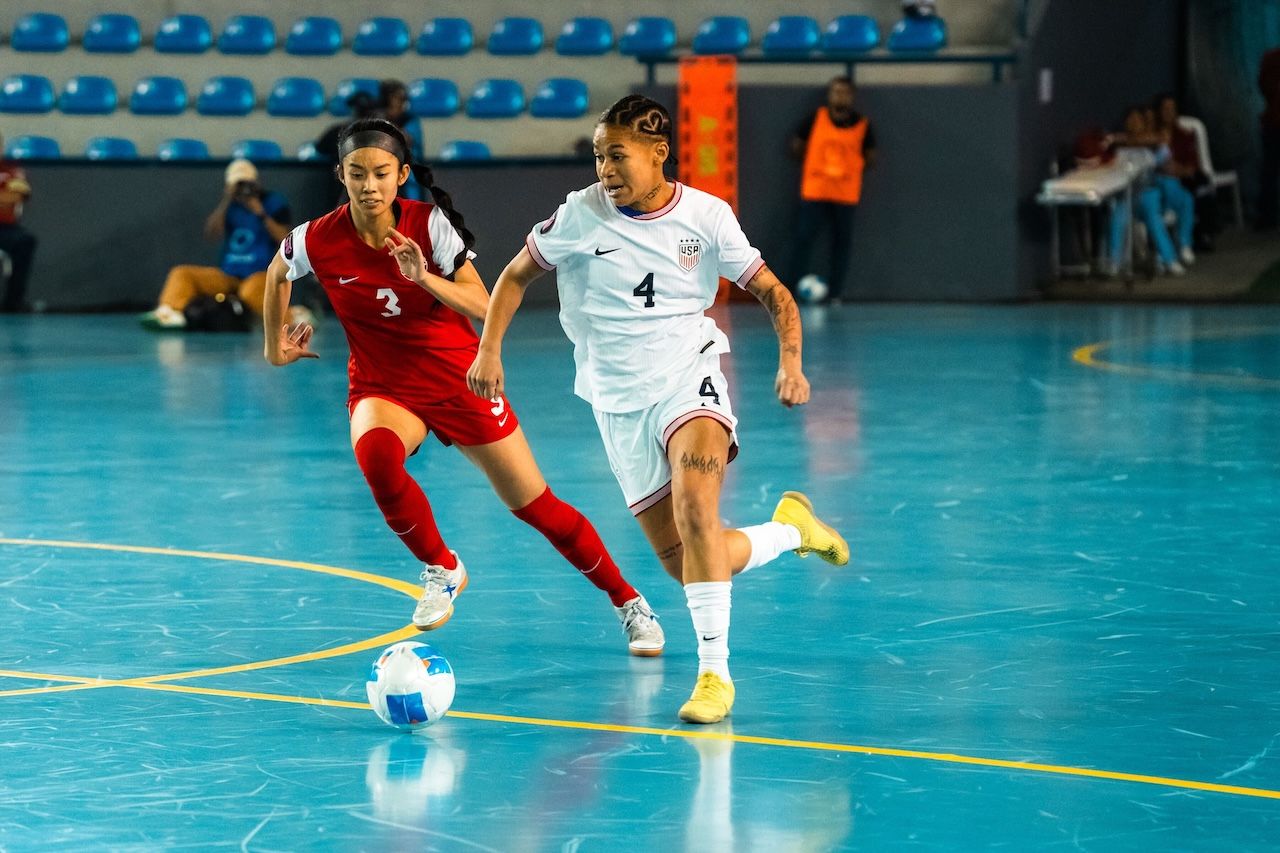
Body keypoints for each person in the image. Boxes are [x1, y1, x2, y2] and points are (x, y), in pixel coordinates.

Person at [467, 94, 850, 725]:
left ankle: (714, 677)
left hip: (688, 376)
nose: (605, 170)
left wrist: (791, 363)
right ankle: (791, 531)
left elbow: (774, 291)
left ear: (658, 152)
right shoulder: (579, 216)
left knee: (697, 510)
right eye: (597, 156)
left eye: (617, 155)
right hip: (616, 401)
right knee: (687, 563)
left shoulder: (707, 217)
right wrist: (489, 352)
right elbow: (511, 278)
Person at [260, 117, 665, 656]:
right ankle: (442, 568)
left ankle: (628, 602)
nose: (369, 185)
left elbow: (483, 303)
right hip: (382, 383)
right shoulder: (318, 237)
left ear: (401, 175)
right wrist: (273, 346)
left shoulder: (429, 226)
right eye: (357, 173)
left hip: (458, 378)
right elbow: (275, 274)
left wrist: (422, 277)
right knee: (377, 459)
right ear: (341, 175)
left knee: (536, 506)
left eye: (381, 173)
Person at [140, 159, 292, 330]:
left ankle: (291, 316)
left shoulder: (273, 202)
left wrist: (260, 213)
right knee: (181, 274)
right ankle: (172, 312)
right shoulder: (231, 206)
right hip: (227, 275)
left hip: (259, 274)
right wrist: (227, 201)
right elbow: (211, 233)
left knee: (249, 293)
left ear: (257, 182)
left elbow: (285, 240)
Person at [786, 77, 876, 305]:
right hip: (815, 190)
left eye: (845, 92)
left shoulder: (863, 125)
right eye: (836, 91)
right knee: (803, 239)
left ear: (852, 96)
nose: (840, 96)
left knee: (841, 242)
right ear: (829, 95)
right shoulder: (815, 119)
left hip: (845, 194)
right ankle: (791, 291)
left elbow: (871, 156)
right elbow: (797, 145)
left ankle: (835, 293)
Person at [1153, 93, 1219, 252]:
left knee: (1200, 185)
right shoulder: (1153, 136)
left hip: (1182, 179)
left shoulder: (1184, 134)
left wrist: (1177, 170)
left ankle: (1197, 236)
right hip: (1161, 181)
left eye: (1172, 109)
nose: (1168, 113)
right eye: (1165, 109)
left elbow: (1190, 166)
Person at [0, 133, 37, 313]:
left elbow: (19, 193)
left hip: (5, 228)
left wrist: (7, 196)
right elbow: (8, 196)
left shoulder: (11, 170)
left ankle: (13, 302)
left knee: (25, 241)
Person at [1257, 47, 1280, 231]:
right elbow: (1264, 86)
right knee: (1269, 171)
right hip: (1274, 123)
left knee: (1269, 171)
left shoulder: (1270, 57)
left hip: (1273, 122)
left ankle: (1268, 217)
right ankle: (1267, 217)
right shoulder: (1271, 58)